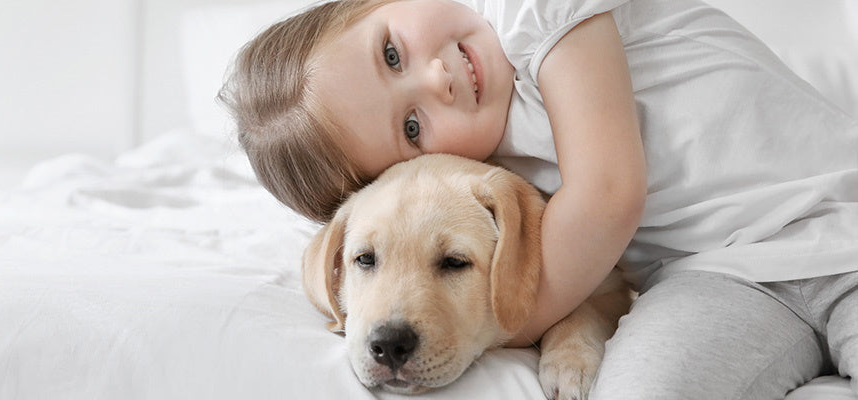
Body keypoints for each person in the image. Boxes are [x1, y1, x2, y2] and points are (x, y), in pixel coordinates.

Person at [219, 0, 858, 398]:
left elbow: (609, 197)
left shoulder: (530, 11)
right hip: (719, 278)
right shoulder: (481, 174)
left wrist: (481, 327)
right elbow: (594, 275)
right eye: (412, 129)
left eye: (392, 52)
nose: (435, 77)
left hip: (841, 232)